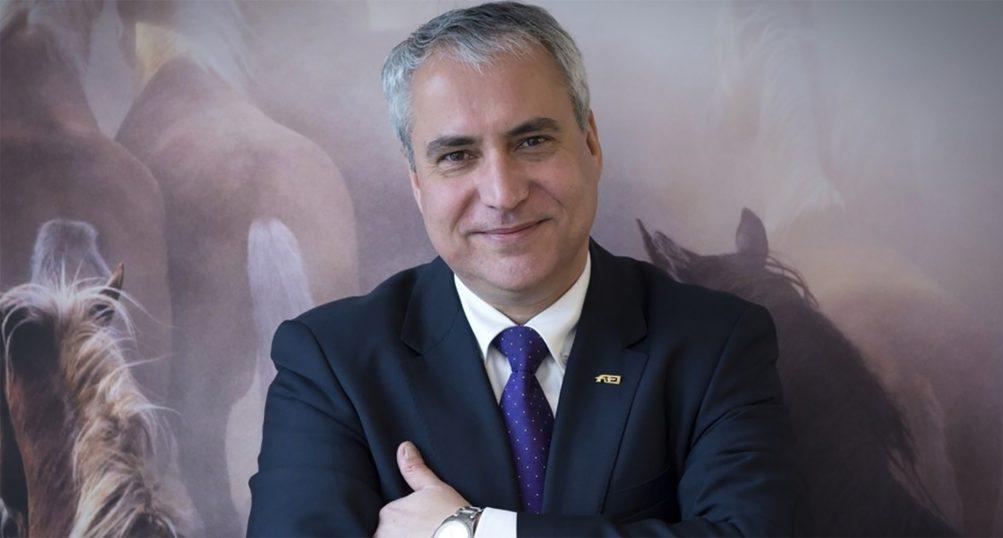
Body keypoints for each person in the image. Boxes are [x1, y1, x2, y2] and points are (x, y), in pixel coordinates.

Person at [247, 3, 796, 536]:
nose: (503, 193)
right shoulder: (330, 362)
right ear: (417, 182)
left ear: (591, 144)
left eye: (532, 142)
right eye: (457, 156)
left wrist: (474, 532)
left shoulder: (718, 344)